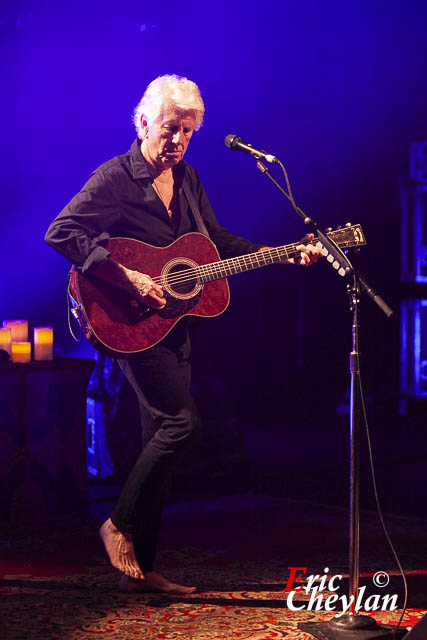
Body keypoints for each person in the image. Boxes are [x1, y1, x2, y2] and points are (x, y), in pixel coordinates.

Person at [45, 74, 321, 594]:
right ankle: (117, 523)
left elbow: (213, 242)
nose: (177, 142)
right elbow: (61, 231)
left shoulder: (188, 178)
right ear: (144, 121)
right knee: (180, 423)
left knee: (160, 434)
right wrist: (126, 275)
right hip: (123, 316)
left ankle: (142, 571)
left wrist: (284, 253)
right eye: (171, 130)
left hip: (169, 324)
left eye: (188, 132)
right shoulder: (115, 178)